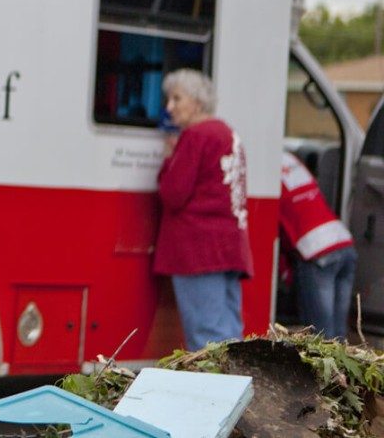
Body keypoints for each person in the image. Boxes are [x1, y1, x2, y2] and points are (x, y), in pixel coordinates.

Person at [153, 68, 254, 351]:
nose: (169, 107)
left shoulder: (195, 136)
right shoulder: (227, 133)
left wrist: (168, 161)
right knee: (230, 336)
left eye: (177, 99)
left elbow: (173, 194)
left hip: (198, 250)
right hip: (230, 246)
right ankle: (236, 391)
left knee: (205, 340)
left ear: (197, 102)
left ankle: (214, 394)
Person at [279, 151, 357, 339]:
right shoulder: (290, 160)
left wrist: (285, 273)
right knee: (338, 335)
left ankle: (326, 370)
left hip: (317, 251)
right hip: (344, 243)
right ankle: (343, 368)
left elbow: (278, 233)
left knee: (320, 336)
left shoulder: (264, 175)